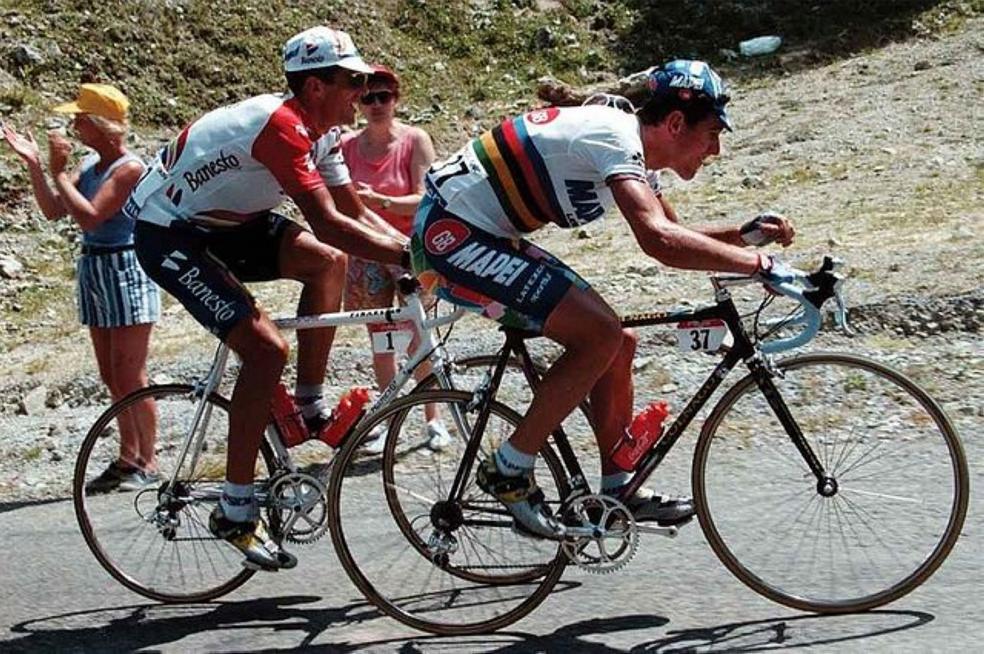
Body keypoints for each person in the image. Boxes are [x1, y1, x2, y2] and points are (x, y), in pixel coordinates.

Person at [411, 60, 795, 539]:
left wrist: (744, 237)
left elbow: (673, 233)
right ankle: (508, 467)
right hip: (450, 237)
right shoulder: (614, 139)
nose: (716, 149)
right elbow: (660, 242)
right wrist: (762, 268)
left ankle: (618, 490)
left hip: (481, 234)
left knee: (619, 342)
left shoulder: (633, 155)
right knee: (599, 335)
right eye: (713, 132)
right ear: (676, 123)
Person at [123, 26, 408, 570]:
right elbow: (327, 221)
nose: (362, 91)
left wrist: (414, 247)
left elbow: (353, 214)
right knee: (265, 350)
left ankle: (307, 406)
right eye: (352, 81)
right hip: (170, 234)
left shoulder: (324, 132)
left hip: (229, 224)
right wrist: (411, 259)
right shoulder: (281, 127)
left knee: (329, 265)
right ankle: (235, 508)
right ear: (316, 87)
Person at [2, 84, 161, 492]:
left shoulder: (128, 168)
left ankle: (149, 459)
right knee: (112, 374)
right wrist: (38, 165)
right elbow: (56, 210)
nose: (74, 125)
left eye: (80, 119)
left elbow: (91, 216)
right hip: (97, 269)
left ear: (100, 125)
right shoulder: (91, 164)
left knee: (131, 373)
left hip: (126, 267)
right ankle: (129, 456)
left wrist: (57, 172)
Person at [340, 64, 451, 454]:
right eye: (368, 97)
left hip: (406, 250)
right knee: (381, 337)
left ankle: (433, 418)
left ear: (396, 99)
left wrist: (380, 201)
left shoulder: (414, 140)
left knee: (417, 334)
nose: (376, 104)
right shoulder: (347, 147)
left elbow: (426, 197)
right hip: (364, 250)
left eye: (383, 96)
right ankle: (389, 419)